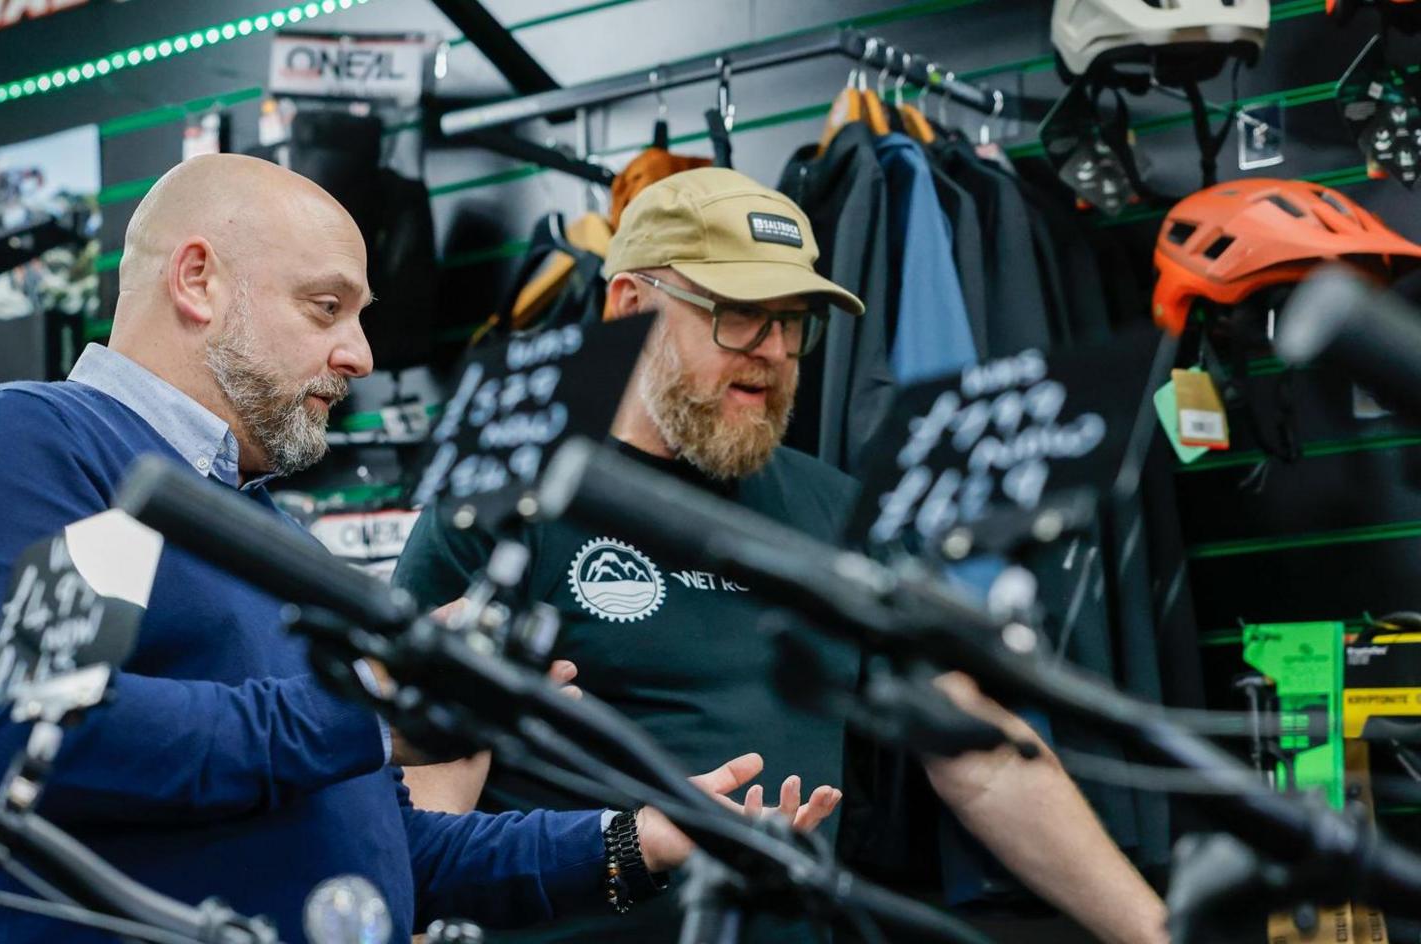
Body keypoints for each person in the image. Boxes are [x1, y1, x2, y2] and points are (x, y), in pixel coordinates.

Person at [0, 154, 840, 944]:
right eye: (326, 308)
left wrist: (638, 842)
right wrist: (380, 708)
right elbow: (48, 736)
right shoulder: (44, 447)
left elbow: (383, 849)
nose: (361, 355)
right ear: (198, 280)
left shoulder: (258, 526)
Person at [393, 167, 1170, 944]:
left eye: (793, 321)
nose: (773, 351)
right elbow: (431, 800)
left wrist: (1155, 931)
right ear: (629, 306)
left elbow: (981, 755)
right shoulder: (501, 501)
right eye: (737, 315)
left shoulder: (835, 510)